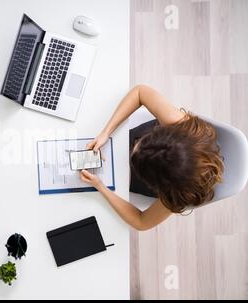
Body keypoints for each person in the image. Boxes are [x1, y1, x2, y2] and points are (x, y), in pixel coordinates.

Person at [80, 85, 224, 231]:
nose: (131, 149)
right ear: (162, 131)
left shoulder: (179, 193)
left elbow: (141, 222)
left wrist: (101, 187)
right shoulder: (180, 125)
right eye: (139, 142)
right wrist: (106, 132)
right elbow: (140, 92)